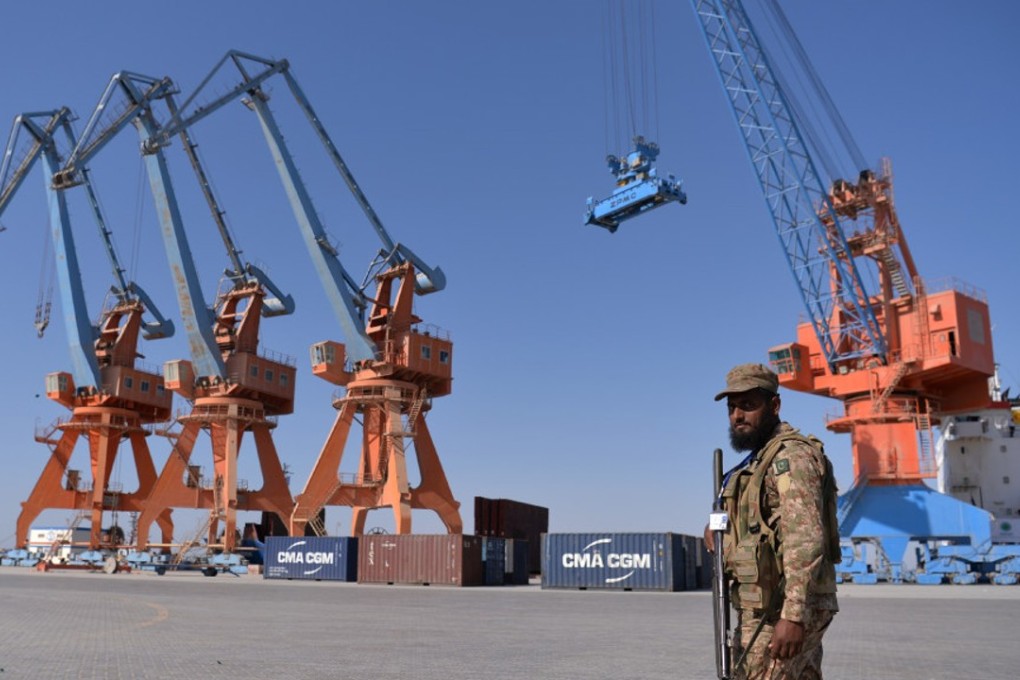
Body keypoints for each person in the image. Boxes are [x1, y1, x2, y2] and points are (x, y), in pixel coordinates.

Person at [706, 363, 839, 680]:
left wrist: (793, 617)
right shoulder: (754, 461)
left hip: (781, 607)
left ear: (774, 406)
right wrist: (717, 525)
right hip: (767, 604)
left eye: (748, 406)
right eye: (733, 408)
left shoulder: (790, 457)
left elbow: (805, 539)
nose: (738, 416)